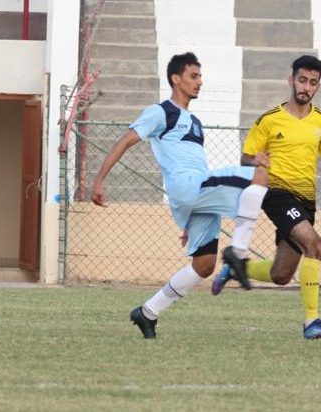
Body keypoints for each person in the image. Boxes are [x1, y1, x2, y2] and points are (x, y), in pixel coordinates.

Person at [91, 52, 270, 339]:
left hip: (194, 194)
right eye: (193, 76)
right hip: (188, 186)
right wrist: (99, 180)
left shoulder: (195, 121)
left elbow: (189, 159)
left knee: (204, 265)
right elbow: (126, 140)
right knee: (261, 176)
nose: (200, 81)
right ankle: (237, 255)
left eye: (200, 76)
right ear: (176, 79)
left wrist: (188, 216)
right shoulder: (161, 112)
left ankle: (148, 312)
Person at [212, 55, 321, 340]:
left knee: (281, 274)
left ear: (318, 86)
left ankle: (236, 269)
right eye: (302, 80)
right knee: (315, 246)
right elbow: (246, 157)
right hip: (277, 194)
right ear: (291, 80)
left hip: (306, 200)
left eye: (312, 82)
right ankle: (312, 322)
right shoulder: (269, 120)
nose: (306, 87)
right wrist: (255, 160)